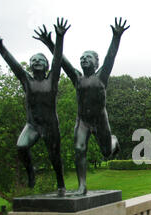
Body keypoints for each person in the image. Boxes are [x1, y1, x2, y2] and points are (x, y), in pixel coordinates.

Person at [34, 18, 129, 194]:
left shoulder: (101, 76)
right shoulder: (77, 78)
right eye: (82, 58)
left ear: (96, 63)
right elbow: (62, 61)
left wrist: (116, 37)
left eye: (88, 57)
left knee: (107, 152)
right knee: (79, 149)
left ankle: (113, 140)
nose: (84, 60)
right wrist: (50, 42)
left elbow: (111, 56)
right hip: (83, 122)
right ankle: (82, 186)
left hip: (100, 121)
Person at [0, 19, 70, 196]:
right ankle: (31, 172)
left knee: (55, 157)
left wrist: (59, 39)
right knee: (21, 147)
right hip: (32, 125)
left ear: (46, 66)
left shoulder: (52, 80)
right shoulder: (26, 81)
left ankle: (61, 184)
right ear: (30, 66)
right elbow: (13, 64)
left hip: (50, 126)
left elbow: (57, 60)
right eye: (33, 60)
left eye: (41, 60)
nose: (37, 62)